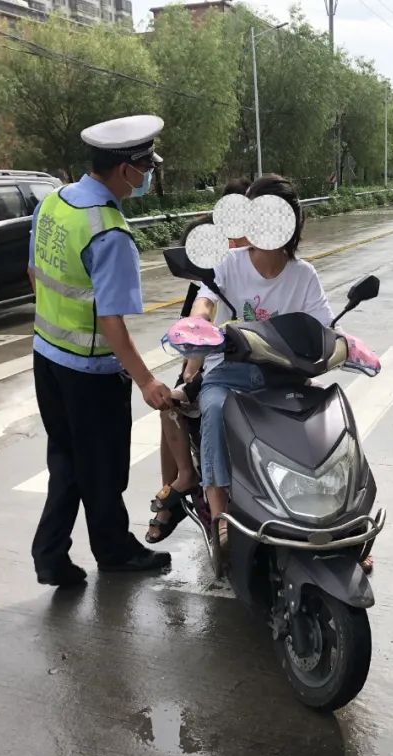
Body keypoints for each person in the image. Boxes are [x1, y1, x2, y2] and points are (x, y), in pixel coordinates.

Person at [146, 175, 376, 574]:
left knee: (333, 417)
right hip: (230, 374)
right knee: (214, 409)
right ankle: (219, 514)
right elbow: (205, 302)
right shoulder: (229, 265)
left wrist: (342, 344)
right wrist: (198, 324)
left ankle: (346, 521)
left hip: (285, 378)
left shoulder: (303, 275)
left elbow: (323, 325)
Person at [27, 114, 174, 588]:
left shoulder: (54, 202)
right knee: (104, 467)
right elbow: (113, 323)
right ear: (125, 170)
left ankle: (50, 556)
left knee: (68, 461)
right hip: (90, 373)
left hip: (47, 358)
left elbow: (34, 273)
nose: (148, 174)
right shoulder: (109, 233)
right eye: (146, 165)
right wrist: (147, 381)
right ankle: (113, 552)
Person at [154, 177, 251, 523]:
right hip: (214, 365)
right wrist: (190, 374)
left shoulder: (282, 269)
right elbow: (200, 322)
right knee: (170, 402)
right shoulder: (215, 269)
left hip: (267, 366)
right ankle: (181, 483)